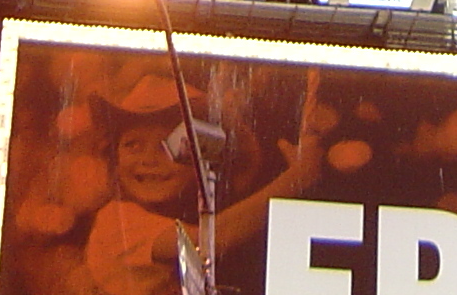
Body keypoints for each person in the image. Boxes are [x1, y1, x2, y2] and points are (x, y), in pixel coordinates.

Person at [82, 71, 326, 295]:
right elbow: (204, 243)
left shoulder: (194, 208)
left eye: (171, 145)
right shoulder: (116, 220)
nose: (149, 160)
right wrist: (295, 180)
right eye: (133, 144)